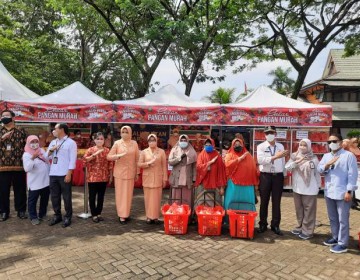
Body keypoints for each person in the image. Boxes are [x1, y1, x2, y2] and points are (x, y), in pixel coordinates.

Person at [318, 133, 358, 254]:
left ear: (340, 142)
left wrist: (349, 191)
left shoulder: (349, 156)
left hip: (343, 192)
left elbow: (352, 175)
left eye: (334, 141)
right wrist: (327, 164)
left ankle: (343, 243)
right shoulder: (326, 156)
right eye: (329, 142)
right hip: (329, 191)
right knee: (333, 218)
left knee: (343, 219)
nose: (332, 144)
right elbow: (320, 169)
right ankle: (335, 237)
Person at [285, 139, 321, 240]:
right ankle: (300, 227)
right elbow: (287, 167)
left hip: (310, 189)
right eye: (301, 145)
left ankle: (308, 231)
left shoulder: (313, 159)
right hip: (297, 188)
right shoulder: (294, 156)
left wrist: (318, 187)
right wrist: (297, 161)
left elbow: (317, 174)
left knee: (309, 211)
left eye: (305, 145)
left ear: (309, 146)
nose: (302, 147)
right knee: (299, 210)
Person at [257, 126, 289, 235]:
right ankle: (262, 223)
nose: (269, 135)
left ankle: (275, 225)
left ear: (275, 133)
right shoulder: (261, 146)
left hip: (278, 176)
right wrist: (275, 157)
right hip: (265, 175)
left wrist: (284, 175)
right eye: (267, 133)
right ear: (265, 135)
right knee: (264, 201)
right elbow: (261, 161)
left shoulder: (280, 146)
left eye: (271, 132)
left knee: (276, 202)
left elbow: (283, 162)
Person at [107, 126, 140, 225]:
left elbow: (137, 159)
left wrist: (137, 172)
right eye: (123, 132)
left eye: (126, 132)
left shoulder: (134, 143)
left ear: (130, 133)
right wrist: (117, 156)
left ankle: (126, 213)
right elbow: (109, 156)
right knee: (120, 194)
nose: (125, 133)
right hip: (119, 173)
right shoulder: (117, 143)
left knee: (128, 194)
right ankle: (121, 215)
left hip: (130, 172)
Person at [47, 123, 77, 228]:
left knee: (66, 197)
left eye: (55, 129)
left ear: (62, 129)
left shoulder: (71, 143)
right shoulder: (53, 142)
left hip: (64, 174)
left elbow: (73, 160)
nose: (53, 130)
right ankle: (57, 215)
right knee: (54, 197)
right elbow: (47, 157)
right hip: (53, 173)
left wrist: (69, 173)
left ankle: (68, 216)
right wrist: (52, 149)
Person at [0, 109, 27, 221]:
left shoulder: (21, 130)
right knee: (3, 190)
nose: (3, 118)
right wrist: (2, 138)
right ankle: (4, 212)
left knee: (20, 189)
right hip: (2, 166)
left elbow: (28, 145)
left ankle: (21, 211)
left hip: (19, 165)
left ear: (13, 117)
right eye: (2, 116)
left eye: (6, 115)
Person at [83, 132, 113, 223]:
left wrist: (111, 175)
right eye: (98, 139)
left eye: (101, 139)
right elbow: (85, 161)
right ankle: (94, 214)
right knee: (92, 196)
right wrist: (94, 154)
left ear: (104, 140)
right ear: (94, 140)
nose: (100, 140)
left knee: (101, 197)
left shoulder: (107, 150)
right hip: (92, 177)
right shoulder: (91, 150)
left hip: (103, 177)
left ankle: (99, 213)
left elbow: (110, 164)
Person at [138, 134, 168, 224]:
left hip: (158, 178)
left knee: (157, 198)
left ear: (156, 141)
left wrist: (164, 178)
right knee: (148, 198)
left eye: (153, 140)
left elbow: (164, 166)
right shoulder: (144, 152)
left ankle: (155, 216)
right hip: (147, 177)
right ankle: (148, 216)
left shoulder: (161, 152)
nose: (152, 142)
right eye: (150, 141)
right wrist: (148, 163)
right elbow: (139, 164)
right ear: (148, 142)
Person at [224, 138, 259, 212]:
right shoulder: (229, 154)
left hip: (247, 185)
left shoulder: (248, 155)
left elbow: (253, 169)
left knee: (247, 203)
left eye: (239, 144)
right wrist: (239, 159)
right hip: (233, 183)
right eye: (235, 144)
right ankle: (229, 218)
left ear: (243, 145)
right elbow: (227, 164)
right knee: (231, 201)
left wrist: (256, 183)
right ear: (232, 145)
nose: (237, 146)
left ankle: (248, 219)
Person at [23, 135, 50, 225]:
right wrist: (32, 158)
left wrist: (50, 152)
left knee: (44, 199)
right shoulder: (26, 154)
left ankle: (42, 214)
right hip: (34, 182)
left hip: (45, 181)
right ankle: (33, 217)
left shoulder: (41, 150)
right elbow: (27, 169)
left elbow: (46, 159)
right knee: (32, 201)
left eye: (36, 141)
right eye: (32, 142)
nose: (34, 144)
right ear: (28, 143)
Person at [194, 138, 226, 208]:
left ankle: (216, 217)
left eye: (209, 144)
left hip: (215, 185)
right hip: (203, 185)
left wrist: (222, 187)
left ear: (213, 145)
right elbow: (198, 167)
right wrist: (208, 164)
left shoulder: (217, 156)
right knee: (201, 205)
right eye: (206, 145)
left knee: (216, 206)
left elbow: (221, 172)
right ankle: (199, 218)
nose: (208, 146)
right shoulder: (201, 155)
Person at [168, 135, 197, 210]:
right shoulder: (174, 149)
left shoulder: (192, 151)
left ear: (188, 141)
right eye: (182, 140)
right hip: (176, 178)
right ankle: (175, 215)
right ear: (179, 141)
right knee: (176, 198)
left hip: (188, 179)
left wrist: (194, 178)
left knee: (186, 198)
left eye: (185, 141)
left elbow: (194, 166)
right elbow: (170, 162)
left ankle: (187, 216)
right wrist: (179, 158)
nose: (183, 142)